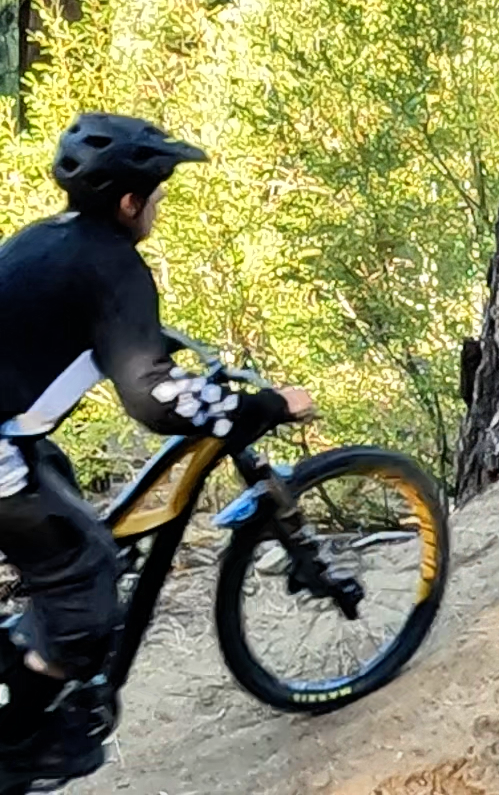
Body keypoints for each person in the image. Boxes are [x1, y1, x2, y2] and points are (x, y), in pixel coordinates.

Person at [0, 114, 314, 783]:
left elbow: (82, 322)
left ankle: (21, 660)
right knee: (85, 596)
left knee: (67, 507)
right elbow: (153, 401)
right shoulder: (116, 268)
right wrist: (264, 407)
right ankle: (18, 746)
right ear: (128, 202)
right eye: (156, 197)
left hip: (15, 438)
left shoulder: (47, 239)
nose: (157, 208)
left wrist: (157, 346)